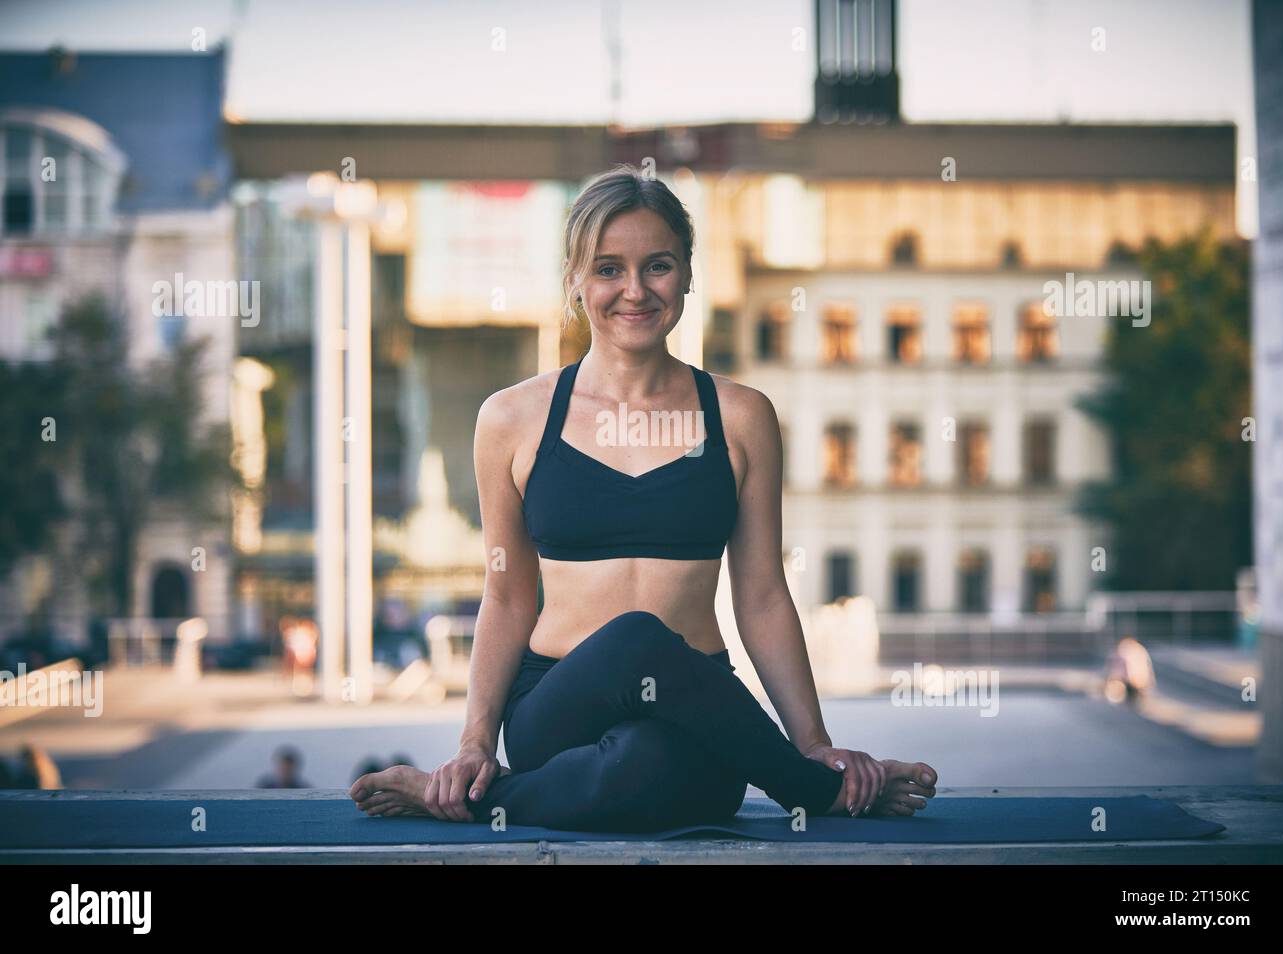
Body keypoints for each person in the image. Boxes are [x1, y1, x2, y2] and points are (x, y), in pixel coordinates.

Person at [351, 165, 937, 832]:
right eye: (608, 268)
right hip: (556, 705)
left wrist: (814, 741)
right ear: (575, 277)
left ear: (688, 272)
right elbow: (508, 594)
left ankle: (474, 804)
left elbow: (764, 594)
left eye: (657, 266)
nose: (634, 290)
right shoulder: (513, 419)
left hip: (700, 709)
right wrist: (475, 742)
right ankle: (807, 790)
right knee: (633, 637)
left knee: (648, 764)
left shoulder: (741, 417)